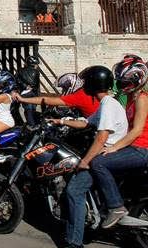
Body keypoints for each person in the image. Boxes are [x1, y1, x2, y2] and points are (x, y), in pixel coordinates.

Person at [55, 65, 128, 248]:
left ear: (93, 84)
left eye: (86, 82)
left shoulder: (108, 105)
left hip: (105, 154)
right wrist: (61, 121)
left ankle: (74, 241)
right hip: (108, 153)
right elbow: (86, 123)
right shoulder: (107, 103)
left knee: (74, 191)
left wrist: (85, 161)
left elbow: (102, 137)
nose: (83, 86)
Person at [90, 55, 148, 228]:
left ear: (138, 80)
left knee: (98, 162)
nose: (121, 87)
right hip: (135, 146)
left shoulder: (143, 98)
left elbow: (137, 130)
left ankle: (116, 207)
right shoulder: (131, 97)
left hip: (143, 148)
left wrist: (113, 147)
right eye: (119, 83)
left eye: (124, 83)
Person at [13, 72, 100, 118]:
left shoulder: (80, 95)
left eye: (65, 87)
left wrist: (23, 99)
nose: (64, 90)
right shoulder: (94, 93)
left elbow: (46, 100)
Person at [15, 56, 41, 125]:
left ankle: (31, 124)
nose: (37, 66)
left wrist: (25, 86)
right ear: (33, 64)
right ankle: (33, 125)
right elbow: (36, 85)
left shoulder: (20, 71)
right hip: (33, 93)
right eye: (36, 64)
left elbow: (16, 81)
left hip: (24, 93)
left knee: (28, 109)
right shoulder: (36, 72)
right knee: (32, 109)